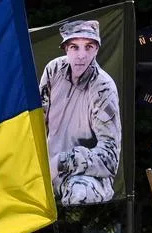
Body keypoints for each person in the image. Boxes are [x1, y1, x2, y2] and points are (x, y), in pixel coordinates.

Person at [39, 20, 122, 205]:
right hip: (44, 170)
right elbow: (36, 123)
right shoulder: (53, 70)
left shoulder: (103, 88)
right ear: (65, 49)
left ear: (97, 49)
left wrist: (62, 162)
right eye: (75, 47)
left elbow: (110, 159)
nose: (81, 55)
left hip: (84, 176)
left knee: (80, 193)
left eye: (89, 47)